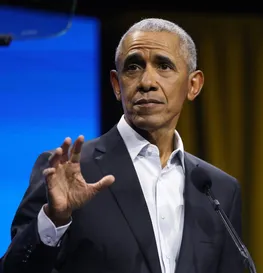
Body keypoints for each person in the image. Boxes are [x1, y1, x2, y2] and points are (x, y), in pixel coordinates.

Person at [0, 18, 244, 273]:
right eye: (134, 67)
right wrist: (54, 219)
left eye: (163, 66)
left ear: (193, 85)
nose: (147, 81)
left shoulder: (219, 190)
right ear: (117, 85)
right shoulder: (66, 173)